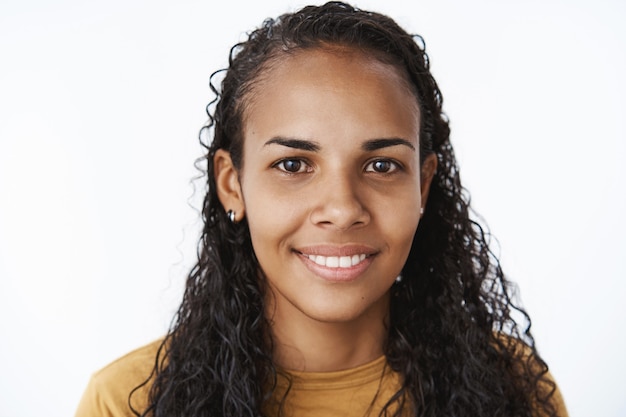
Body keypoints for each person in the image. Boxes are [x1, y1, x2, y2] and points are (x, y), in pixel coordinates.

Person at [75, 2, 568, 416]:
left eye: (380, 165)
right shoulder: (130, 402)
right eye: (293, 164)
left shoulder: (512, 389)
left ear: (423, 185)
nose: (341, 208)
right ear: (233, 185)